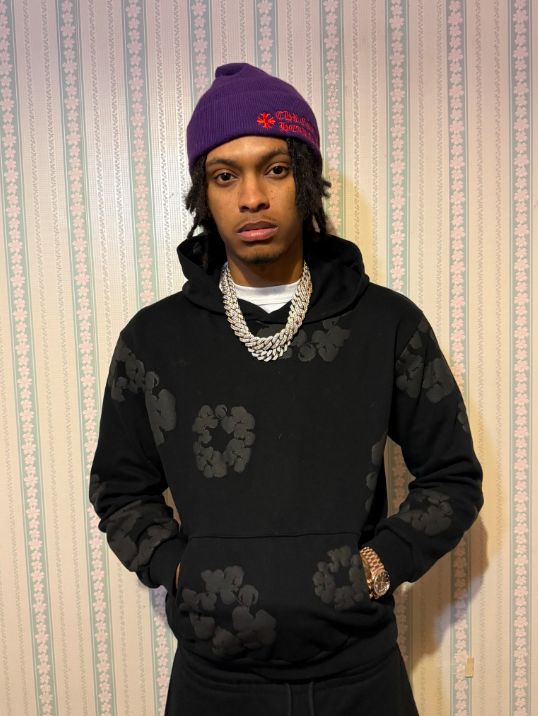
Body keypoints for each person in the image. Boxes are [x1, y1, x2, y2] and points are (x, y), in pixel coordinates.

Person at [89, 62, 484, 716]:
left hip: (360, 677)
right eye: (225, 175)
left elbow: (452, 477)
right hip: (215, 684)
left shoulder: (386, 324)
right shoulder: (154, 340)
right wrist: (182, 572)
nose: (252, 197)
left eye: (274, 169)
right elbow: (119, 489)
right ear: (203, 192)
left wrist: (374, 569)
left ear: (304, 180)